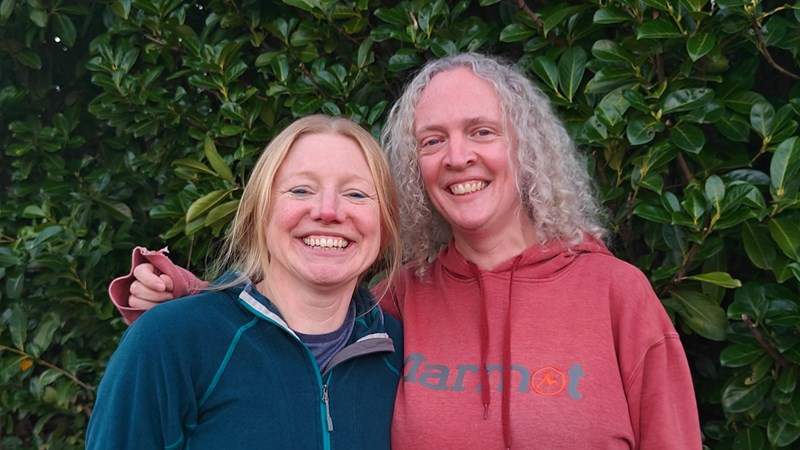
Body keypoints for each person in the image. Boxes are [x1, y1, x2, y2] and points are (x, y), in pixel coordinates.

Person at [111, 53, 702, 449]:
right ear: (414, 170)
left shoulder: (616, 295)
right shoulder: (398, 300)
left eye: (482, 131)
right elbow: (294, 313)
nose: (458, 157)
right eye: (432, 140)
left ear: (527, 148)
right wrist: (189, 298)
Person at [87, 115, 404, 449]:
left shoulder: (397, 349)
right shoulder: (170, 341)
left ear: (384, 225)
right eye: (300, 190)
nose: (328, 211)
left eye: (356, 194)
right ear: (260, 214)